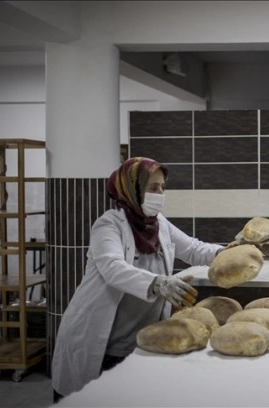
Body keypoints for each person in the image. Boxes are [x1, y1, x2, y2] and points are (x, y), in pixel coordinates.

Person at [52, 157, 230, 401]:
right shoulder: (108, 225)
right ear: (132, 189)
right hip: (103, 342)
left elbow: (192, 249)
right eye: (152, 188)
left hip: (140, 340)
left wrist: (225, 253)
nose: (159, 194)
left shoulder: (159, 225)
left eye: (162, 188)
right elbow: (113, 268)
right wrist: (157, 283)